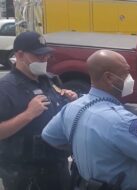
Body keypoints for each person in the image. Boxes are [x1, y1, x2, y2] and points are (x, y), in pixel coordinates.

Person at [42, 49, 137, 190]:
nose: (130, 78)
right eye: (125, 73)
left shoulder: (72, 107)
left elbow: (50, 136)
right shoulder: (121, 120)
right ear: (109, 78)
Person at [0, 31, 78, 190]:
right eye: (38, 56)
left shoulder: (49, 80)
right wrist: (28, 115)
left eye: (46, 55)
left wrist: (69, 101)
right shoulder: (6, 88)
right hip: (26, 175)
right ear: (20, 55)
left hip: (57, 166)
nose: (44, 59)